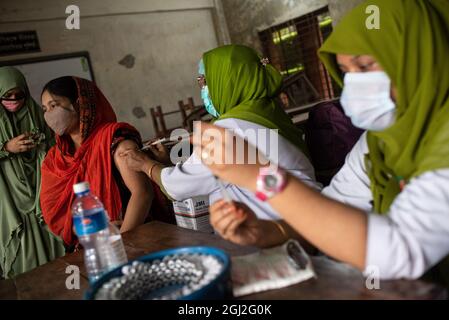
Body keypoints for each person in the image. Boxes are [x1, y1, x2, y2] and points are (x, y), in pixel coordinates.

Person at [193, 0, 449, 288]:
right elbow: (332, 210)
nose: (354, 83)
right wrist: (267, 232)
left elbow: (396, 249)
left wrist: (261, 177)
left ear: (419, 58)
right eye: (346, 70)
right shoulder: (378, 141)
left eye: (365, 65)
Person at [121, 45, 321, 248]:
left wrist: (146, 164)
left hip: (276, 234)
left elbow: (179, 185)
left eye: (204, 81)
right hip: (306, 221)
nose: (202, 89)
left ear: (227, 80)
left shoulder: (232, 126)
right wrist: (165, 164)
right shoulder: (266, 112)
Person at [40, 76, 154, 248]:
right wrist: (86, 231)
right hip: (91, 247)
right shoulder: (54, 159)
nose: (49, 114)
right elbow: (55, 214)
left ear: (79, 104)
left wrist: (119, 240)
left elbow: (143, 193)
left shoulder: (114, 140)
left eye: (54, 105)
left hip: (132, 238)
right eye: (45, 108)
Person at [0, 67, 65, 278]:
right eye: (7, 95)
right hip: (10, 197)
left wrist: (40, 144)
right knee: (23, 253)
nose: (13, 99)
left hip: (40, 189)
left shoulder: (36, 112)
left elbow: (54, 143)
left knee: (53, 243)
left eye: (18, 94)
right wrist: (6, 147)